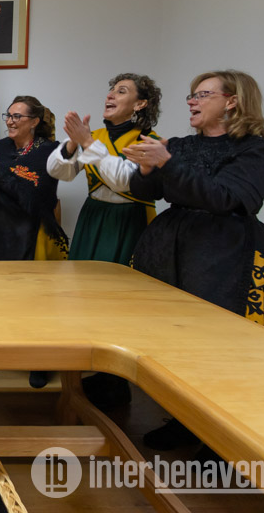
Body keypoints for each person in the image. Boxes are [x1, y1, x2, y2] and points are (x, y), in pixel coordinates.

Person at [124, 70, 264, 450]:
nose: (191, 101)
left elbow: (223, 198)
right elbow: (148, 191)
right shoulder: (179, 145)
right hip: (169, 249)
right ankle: (183, 422)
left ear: (231, 101)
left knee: (221, 350)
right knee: (173, 345)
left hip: (226, 256)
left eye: (202, 94)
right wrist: (147, 168)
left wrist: (166, 161)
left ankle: (225, 441)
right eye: (191, 95)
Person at [46, 73, 162, 408]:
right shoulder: (92, 137)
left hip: (129, 221)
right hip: (93, 217)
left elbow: (125, 181)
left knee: (118, 301)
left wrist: (86, 144)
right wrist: (71, 144)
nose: (111, 95)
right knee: (82, 294)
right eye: (111, 89)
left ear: (140, 104)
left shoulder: (147, 140)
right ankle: (87, 370)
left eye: (122, 91)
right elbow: (59, 172)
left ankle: (116, 382)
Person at [0, 95, 68, 389]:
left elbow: (35, 199)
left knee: (33, 303)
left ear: (34, 122)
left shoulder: (49, 152)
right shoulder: (0, 147)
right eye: (8, 115)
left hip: (30, 232)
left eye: (17, 116)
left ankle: (39, 362)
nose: (9, 121)